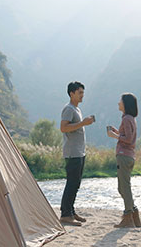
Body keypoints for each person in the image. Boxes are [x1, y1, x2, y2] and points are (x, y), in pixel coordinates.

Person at [59, 81, 95, 226]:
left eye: (83, 93)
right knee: (72, 183)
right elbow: (63, 128)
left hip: (79, 152)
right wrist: (83, 123)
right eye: (79, 93)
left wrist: (84, 122)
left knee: (76, 184)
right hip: (72, 153)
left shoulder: (76, 109)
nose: (82, 96)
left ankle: (71, 211)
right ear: (71, 93)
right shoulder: (68, 109)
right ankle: (65, 215)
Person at [107, 93, 141, 228]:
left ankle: (128, 217)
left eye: (120, 101)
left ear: (125, 104)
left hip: (124, 155)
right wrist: (118, 132)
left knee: (124, 187)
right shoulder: (130, 118)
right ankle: (134, 215)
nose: (118, 103)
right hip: (129, 156)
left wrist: (114, 135)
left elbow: (128, 139)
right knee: (123, 187)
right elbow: (128, 136)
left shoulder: (126, 118)